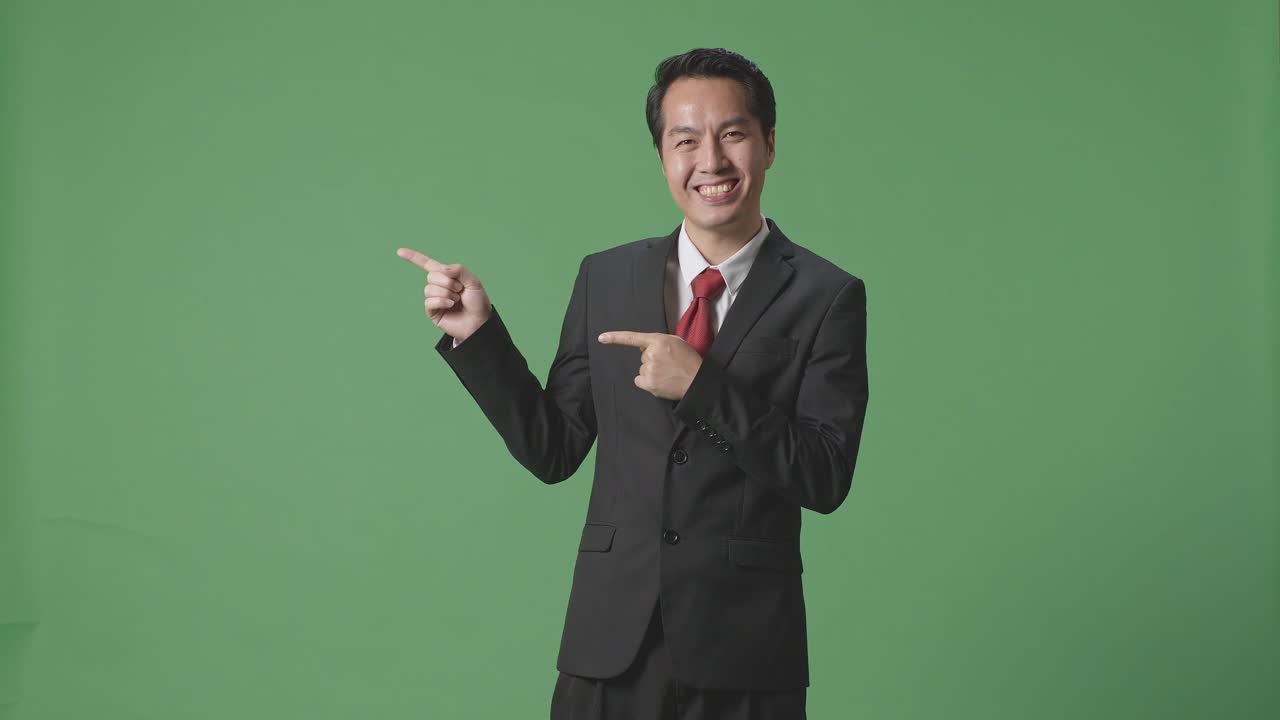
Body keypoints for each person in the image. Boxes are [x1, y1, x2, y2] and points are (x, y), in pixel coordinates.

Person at [396, 47, 869, 720]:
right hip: (608, 647)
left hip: (746, 653)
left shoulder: (826, 294)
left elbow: (825, 476)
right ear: (662, 156)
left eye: (733, 134)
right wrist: (479, 335)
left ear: (767, 144)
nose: (711, 161)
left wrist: (703, 385)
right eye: (685, 140)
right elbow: (553, 448)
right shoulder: (606, 278)